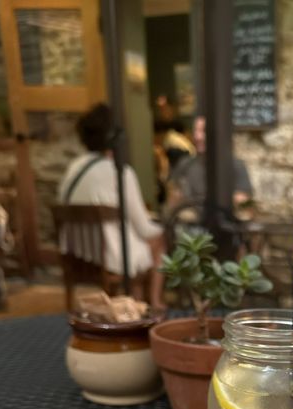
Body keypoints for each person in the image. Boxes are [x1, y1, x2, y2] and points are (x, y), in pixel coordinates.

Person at [58, 103, 166, 309]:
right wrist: (163, 227)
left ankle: (139, 305)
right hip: (111, 256)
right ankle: (153, 303)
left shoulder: (73, 168)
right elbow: (144, 228)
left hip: (78, 254)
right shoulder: (120, 172)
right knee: (158, 240)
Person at [167, 115, 254, 219]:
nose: (198, 137)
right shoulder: (184, 165)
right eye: (196, 131)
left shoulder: (235, 165)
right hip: (192, 230)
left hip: (225, 228)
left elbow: (245, 206)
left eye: (203, 131)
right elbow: (173, 204)